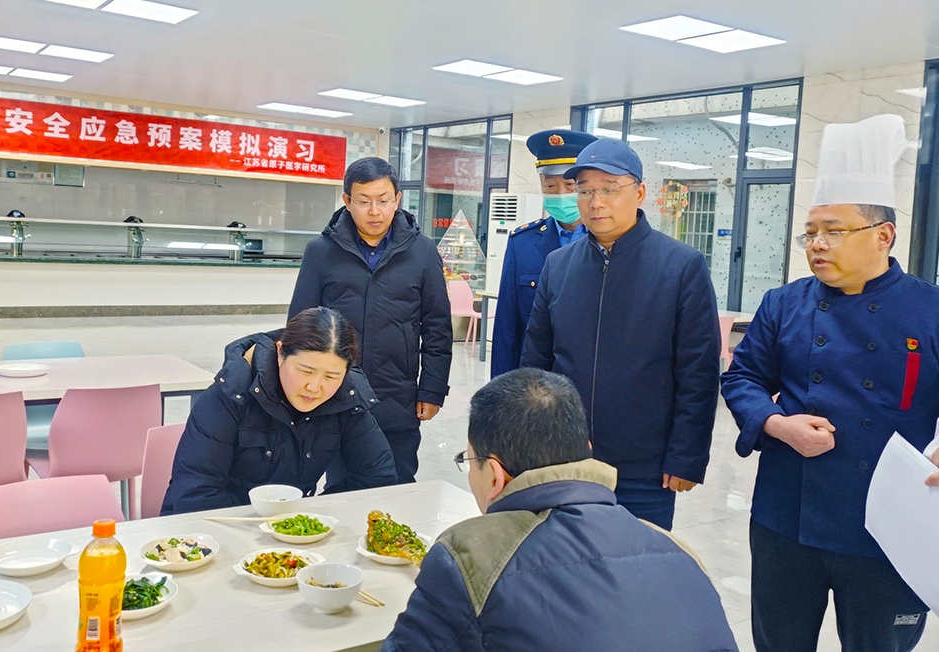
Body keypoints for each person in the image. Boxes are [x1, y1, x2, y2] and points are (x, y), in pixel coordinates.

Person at [722, 114, 938, 652]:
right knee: (778, 641)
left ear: (884, 235)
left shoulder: (930, 310)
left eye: (834, 232)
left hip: (889, 523)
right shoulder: (782, 303)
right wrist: (776, 423)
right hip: (784, 513)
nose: (817, 244)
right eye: (811, 232)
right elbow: (742, 377)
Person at [380, 368, 738, 652]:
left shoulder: (472, 552)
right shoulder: (677, 549)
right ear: (587, 449)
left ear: (493, 473)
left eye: (469, 460)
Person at [520, 137, 720, 530]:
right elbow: (535, 363)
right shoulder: (558, 266)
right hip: (565, 459)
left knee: (635, 579)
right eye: (586, 190)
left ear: (640, 192)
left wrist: (686, 457)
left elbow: (698, 372)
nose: (596, 202)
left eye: (610, 189)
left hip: (644, 467)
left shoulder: (681, 267)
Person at [289, 157, 452, 484]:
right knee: (343, 489)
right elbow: (300, 327)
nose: (374, 211)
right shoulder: (321, 251)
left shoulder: (422, 251)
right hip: (337, 396)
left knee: (399, 484)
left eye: (383, 201)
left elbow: (437, 327)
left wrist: (433, 390)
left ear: (397, 200)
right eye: (364, 202)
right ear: (347, 201)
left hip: (399, 398)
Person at [161, 307, 397, 515]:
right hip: (205, 533)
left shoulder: (347, 398)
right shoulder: (232, 394)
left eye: (331, 376)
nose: (314, 387)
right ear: (280, 352)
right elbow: (195, 496)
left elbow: (377, 478)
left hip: (290, 537)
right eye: (305, 371)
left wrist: (314, 519)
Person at [490, 129, 597, 376]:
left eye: (569, 185)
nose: (560, 194)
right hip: (537, 383)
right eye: (550, 185)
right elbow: (508, 327)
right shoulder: (522, 243)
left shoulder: (609, 242)